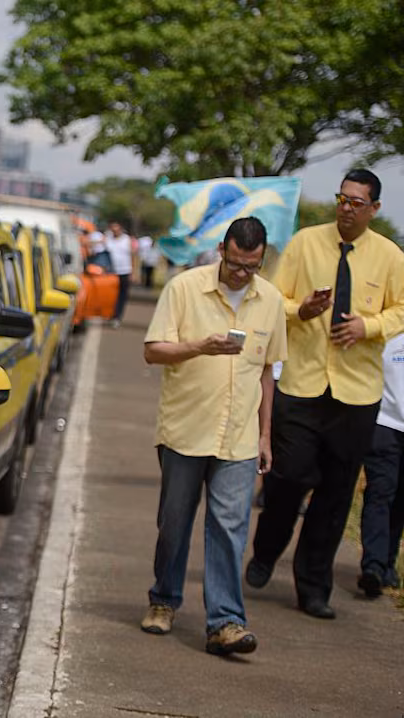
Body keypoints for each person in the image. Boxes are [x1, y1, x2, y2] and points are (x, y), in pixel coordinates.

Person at [247, 169, 404, 619]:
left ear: (374, 208)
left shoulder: (390, 256)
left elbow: (401, 309)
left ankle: (313, 587)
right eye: (342, 199)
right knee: (288, 479)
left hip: (356, 394)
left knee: (335, 494)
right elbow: (273, 297)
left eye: (357, 202)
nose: (347, 208)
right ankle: (266, 550)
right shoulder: (306, 243)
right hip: (302, 384)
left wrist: (368, 326)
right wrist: (301, 309)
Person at [141, 217, 287, 656]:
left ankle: (225, 622)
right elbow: (153, 351)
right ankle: (164, 600)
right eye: (236, 264)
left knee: (230, 528)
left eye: (252, 267)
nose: (242, 274)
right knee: (174, 524)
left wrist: (265, 435)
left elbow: (267, 372)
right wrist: (199, 347)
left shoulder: (271, 300)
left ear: (262, 260)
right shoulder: (184, 288)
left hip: (240, 437)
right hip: (186, 430)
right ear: (222, 250)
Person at [357, 331, 404, 597]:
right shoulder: (389, 331)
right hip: (384, 423)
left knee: (400, 499)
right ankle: (373, 566)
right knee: (380, 491)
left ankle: (387, 561)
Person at [104, 220, 135, 327]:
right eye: (113, 228)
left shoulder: (127, 240)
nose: (115, 230)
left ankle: (117, 317)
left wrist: (133, 272)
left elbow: (132, 255)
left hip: (125, 271)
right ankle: (110, 314)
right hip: (111, 272)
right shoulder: (108, 239)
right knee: (111, 295)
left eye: (116, 228)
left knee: (122, 295)